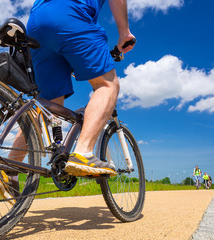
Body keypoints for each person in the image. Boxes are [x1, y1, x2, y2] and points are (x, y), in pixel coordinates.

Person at [26, 0, 135, 177]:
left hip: (37, 22)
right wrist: (124, 33)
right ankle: (83, 152)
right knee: (108, 85)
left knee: (47, 107)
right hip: (71, 14)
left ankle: (8, 174)